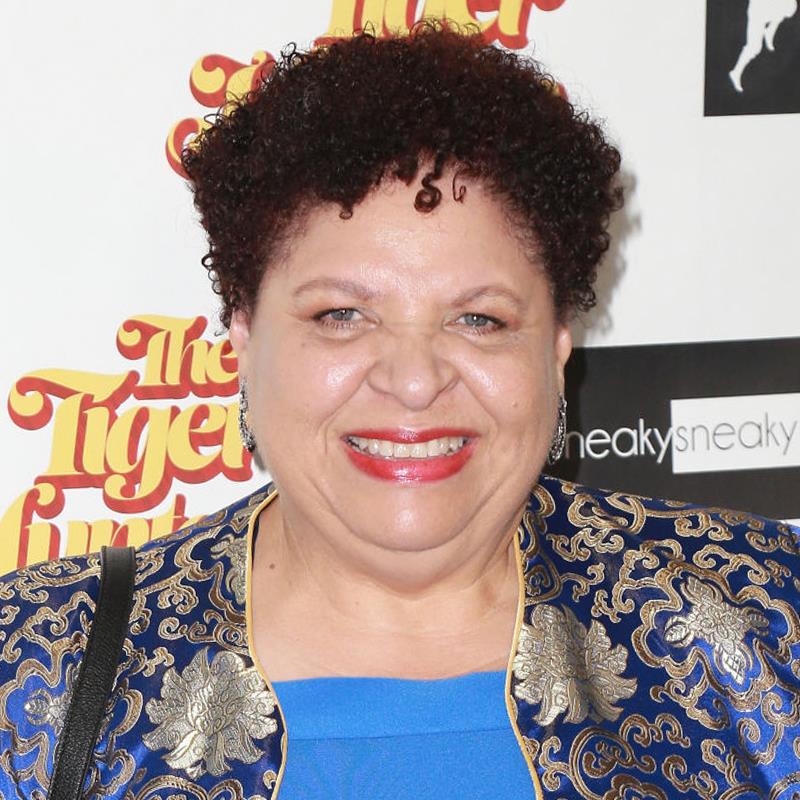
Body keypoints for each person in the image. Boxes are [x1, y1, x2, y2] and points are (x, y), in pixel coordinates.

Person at [2, 22, 799, 800]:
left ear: (557, 347)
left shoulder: (769, 619)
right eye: (341, 315)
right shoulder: (33, 665)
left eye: (478, 319)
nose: (415, 381)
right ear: (244, 335)